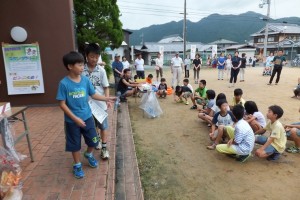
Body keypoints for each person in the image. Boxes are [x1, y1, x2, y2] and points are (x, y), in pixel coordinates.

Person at [56, 51, 115, 178]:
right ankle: (77, 165)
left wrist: (106, 98)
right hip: (72, 121)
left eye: (83, 64)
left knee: (93, 141)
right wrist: (75, 118)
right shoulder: (64, 84)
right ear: (70, 66)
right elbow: (62, 104)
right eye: (80, 64)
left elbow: (93, 94)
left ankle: (88, 154)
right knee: (75, 144)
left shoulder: (85, 80)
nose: (83, 67)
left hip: (87, 117)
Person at [82, 43, 111, 159]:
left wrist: (107, 100)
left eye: (96, 56)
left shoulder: (101, 71)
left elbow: (106, 87)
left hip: (100, 104)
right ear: (86, 56)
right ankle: (97, 139)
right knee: (92, 126)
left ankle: (104, 148)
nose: (94, 59)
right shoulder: (81, 70)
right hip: (86, 105)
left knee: (103, 126)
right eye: (91, 56)